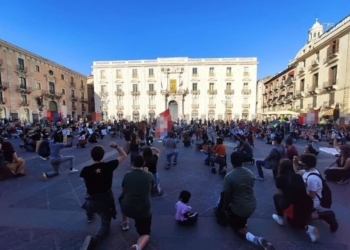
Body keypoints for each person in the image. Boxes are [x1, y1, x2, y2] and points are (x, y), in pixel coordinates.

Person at [215, 152, 274, 249]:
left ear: (231, 162)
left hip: (239, 208)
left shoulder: (229, 177)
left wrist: (225, 209)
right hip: (252, 205)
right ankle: (242, 221)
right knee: (241, 218)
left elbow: (226, 197)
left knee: (237, 228)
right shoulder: (250, 173)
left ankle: (256, 239)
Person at [80, 143, 127, 250]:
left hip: (91, 200)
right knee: (105, 224)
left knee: (89, 199)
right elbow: (124, 155)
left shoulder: (85, 170)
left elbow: (85, 182)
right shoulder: (108, 166)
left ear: (91, 156)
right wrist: (116, 146)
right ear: (103, 155)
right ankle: (95, 240)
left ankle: (89, 215)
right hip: (105, 200)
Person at [272, 159, 319, 242]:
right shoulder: (298, 176)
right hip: (307, 204)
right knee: (292, 222)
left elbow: (280, 194)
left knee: (276, 196)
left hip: (293, 206)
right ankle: (308, 228)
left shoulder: (280, 178)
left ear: (281, 167)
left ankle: (280, 217)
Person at [293, 154, 338, 233]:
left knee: (300, 217)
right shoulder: (310, 170)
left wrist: (299, 193)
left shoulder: (312, 178)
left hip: (312, 201)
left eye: (302, 164)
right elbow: (297, 172)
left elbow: (312, 196)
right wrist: (295, 163)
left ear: (307, 164)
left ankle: (325, 215)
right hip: (310, 198)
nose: (300, 165)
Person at [120, 155, 154, 250]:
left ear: (133, 164)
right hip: (143, 210)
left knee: (121, 198)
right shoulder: (149, 175)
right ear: (144, 164)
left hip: (127, 208)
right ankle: (138, 246)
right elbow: (152, 188)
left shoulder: (127, 174)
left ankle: (124, 221)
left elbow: (124, 190)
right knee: (145, 234)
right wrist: (146, 173)